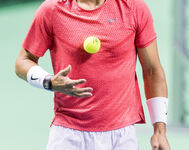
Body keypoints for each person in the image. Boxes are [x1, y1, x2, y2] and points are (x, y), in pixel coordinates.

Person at [15, 0, 171, 149]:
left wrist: (160, 130)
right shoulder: (52, 10)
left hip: (121, 136)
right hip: (68, 134)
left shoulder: (133, 7)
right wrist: (49, 82)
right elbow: (23, 61)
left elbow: (152, 70)